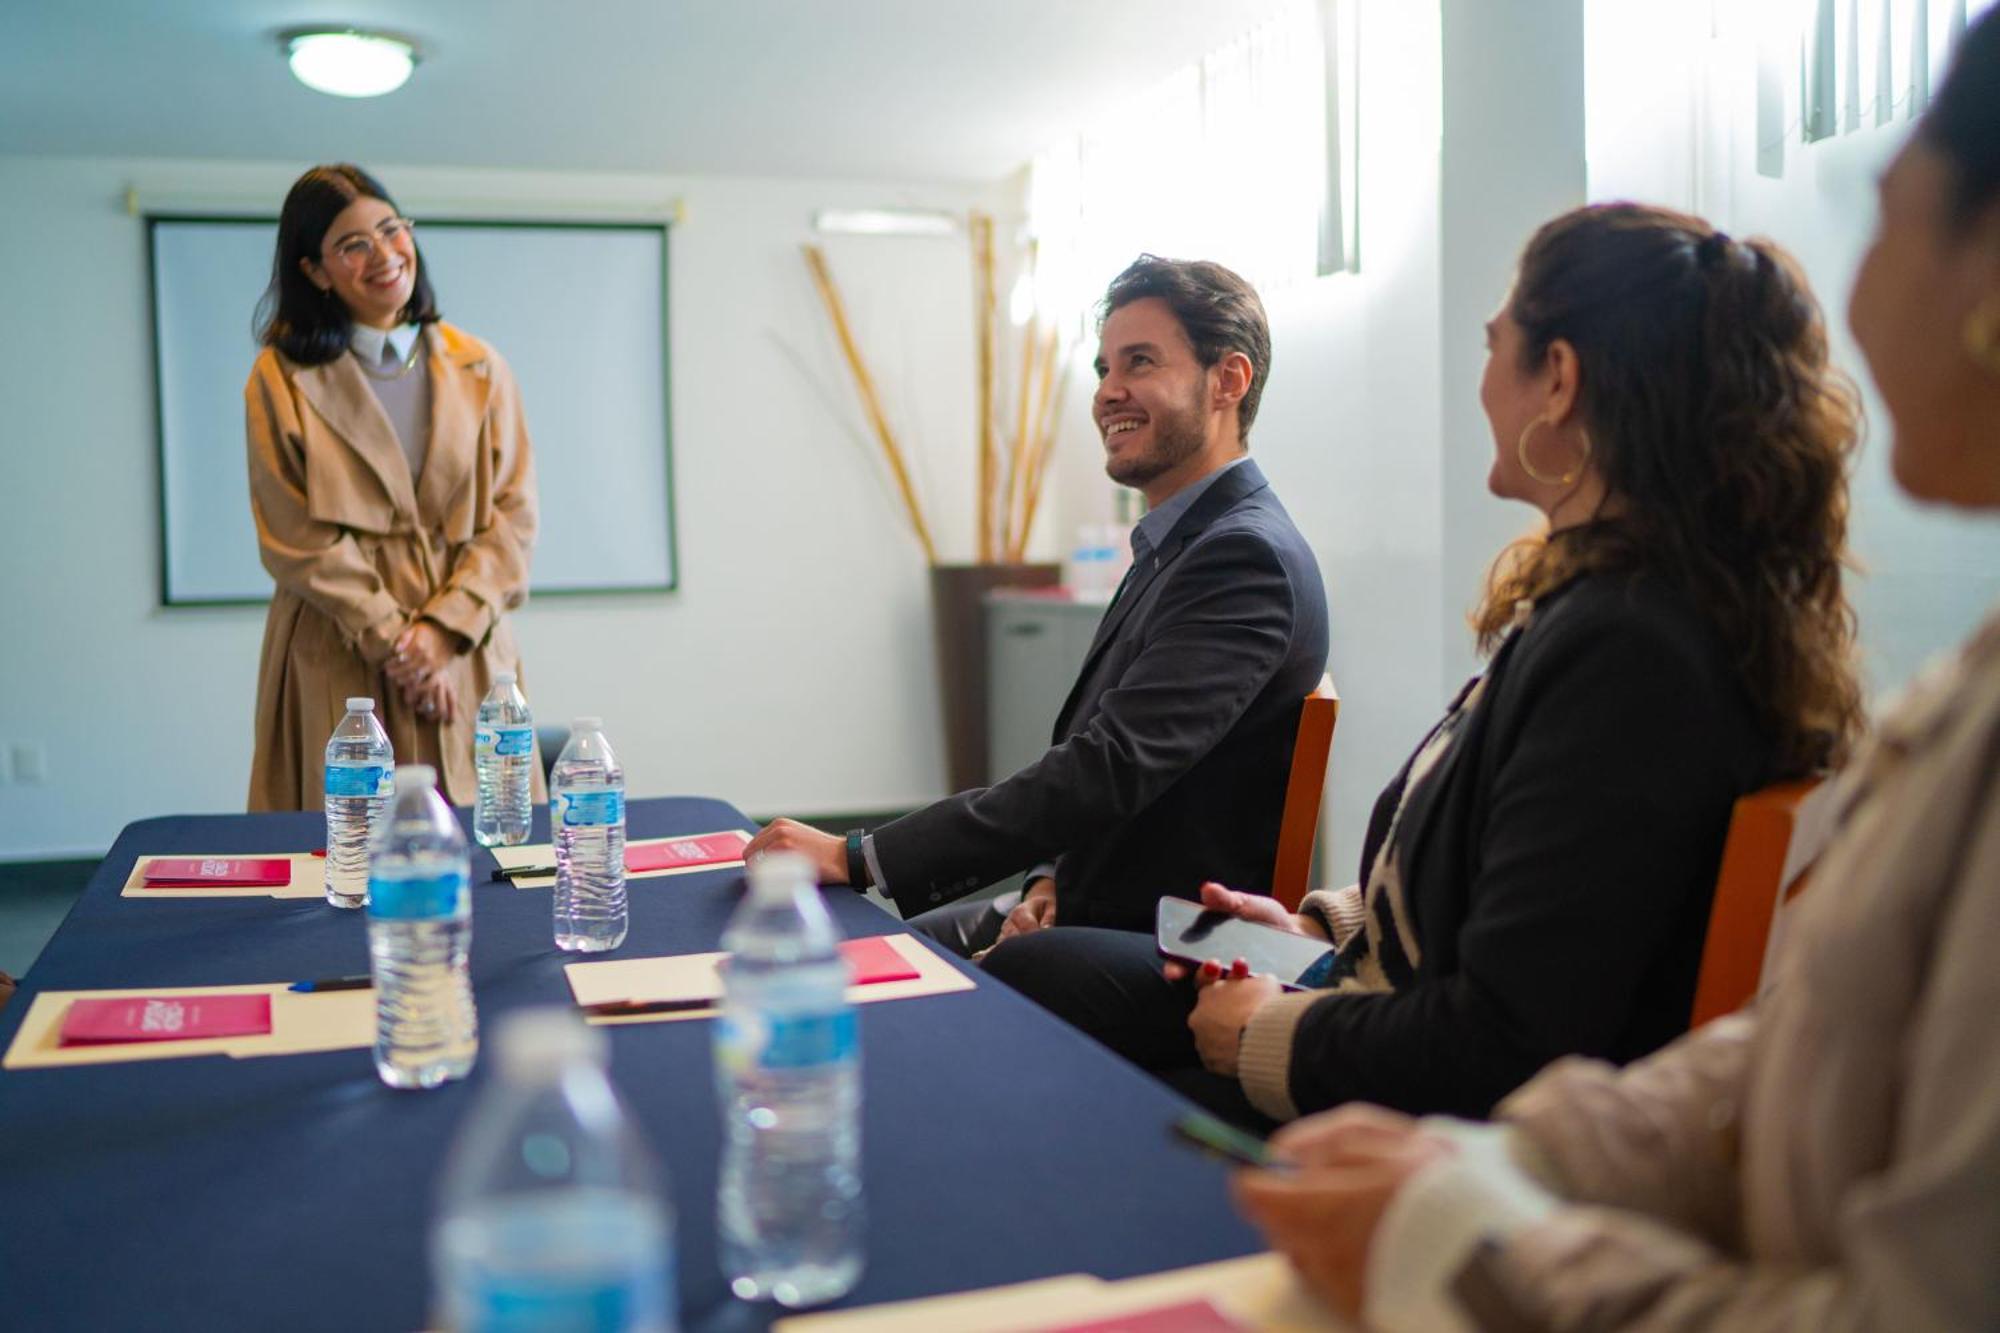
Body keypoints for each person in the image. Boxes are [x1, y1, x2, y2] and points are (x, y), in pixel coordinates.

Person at [1229, 14, 2000, 1330]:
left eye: (1884, 212)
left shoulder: (1632, 645)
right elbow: (1780, 1049)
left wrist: (1469, 1233)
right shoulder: (1954, 681)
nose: (1857, 300)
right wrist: (1505, 1168)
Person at [984, 203, 1864, 1128]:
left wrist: (1267, 1030)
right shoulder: (1613, 613)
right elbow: (1531, 886)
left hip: (1427, 1123)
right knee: (1043, 974)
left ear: (1557, 379)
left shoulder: (1630, 651)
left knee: (1036, 1012)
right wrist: (1324, 928)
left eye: (1494, 346)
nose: (1479, 382)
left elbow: (1510, 1040)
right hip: (1369, 993)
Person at [747, 256, 1329, 955]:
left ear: (1228, 381)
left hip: (1175, 944)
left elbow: (1108, 767)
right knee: (865, 956)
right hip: (1092, 903)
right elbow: (1110, 763)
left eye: (1139, 362)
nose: (1108, 392)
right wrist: (1045, 881)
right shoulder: (1185, 540)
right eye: (1103, 369)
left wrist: (860, 855)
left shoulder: (1243, 558)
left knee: (884, 978)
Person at [244, 164, 540, 810]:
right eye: (353, 245)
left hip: (466, 646)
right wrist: (397, 644)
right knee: (342, 855)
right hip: (339, 646)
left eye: (390, 230)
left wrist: (437, 636)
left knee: (492, 851)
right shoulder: (280, 376)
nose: (383, 254)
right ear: (316, 271)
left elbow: (512, 520)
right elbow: (295, 537)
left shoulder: (481, 365)